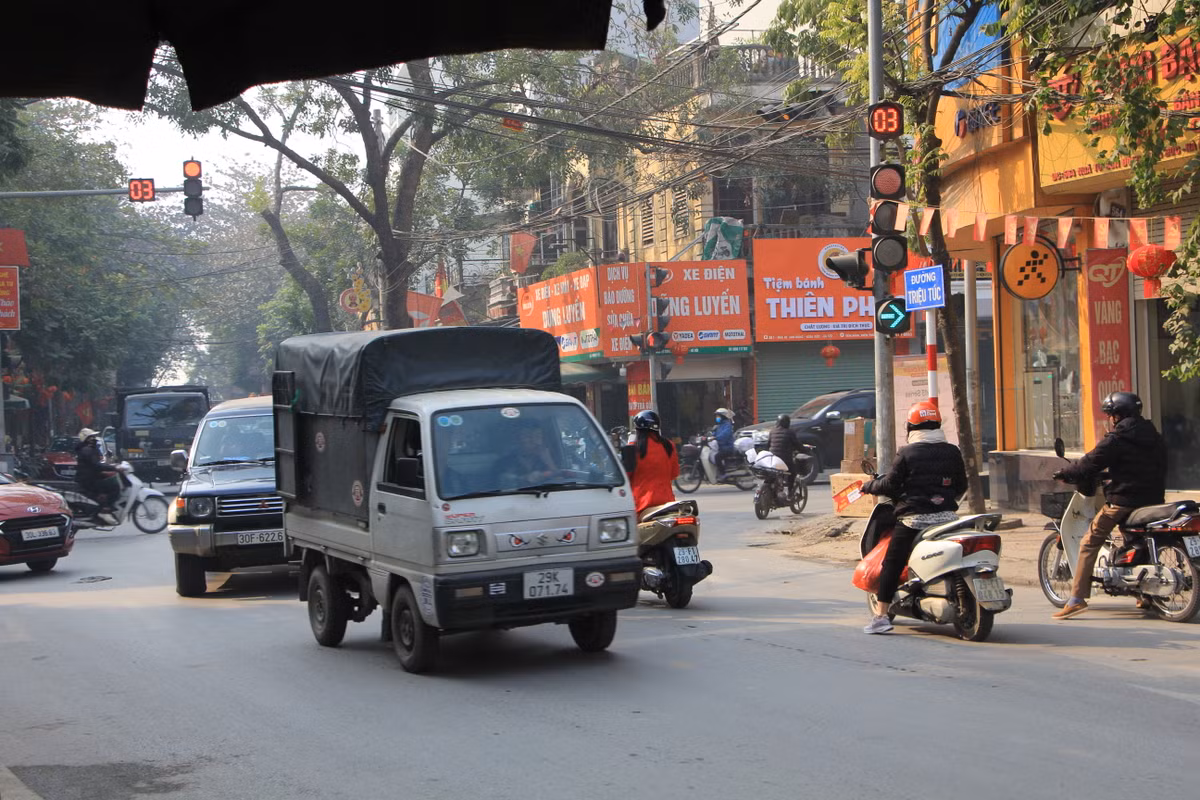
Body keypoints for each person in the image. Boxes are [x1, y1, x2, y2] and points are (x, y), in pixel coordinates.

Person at [1050, 391, 1167, 619]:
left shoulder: (1117, 439)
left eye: (1111, 414)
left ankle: (1076, 599)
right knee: (1134, 539)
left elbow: (1089, 463)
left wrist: (1066, 472)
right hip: (1154, 500)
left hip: (1124, 501)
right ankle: (1142, 594)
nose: (1110, 419)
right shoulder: (1155, 437)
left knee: (1088, 541)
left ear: (1117, 415)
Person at [860, 401, 968, 634]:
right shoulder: (952, 451)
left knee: (892, 562)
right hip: (948, 518)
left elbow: (889, 484)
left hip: (913, 519)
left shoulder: (907, 452)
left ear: (911, 427)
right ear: (938, 424)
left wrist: (869, 486)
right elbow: (961, 486)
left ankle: (880, 617)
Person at [622, 410, 679, 517]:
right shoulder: (669, 446)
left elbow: (626, 477)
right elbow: (674, 474)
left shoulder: (633, 448)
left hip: (641, 505)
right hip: (668, 503)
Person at [74, 428, 122, 520]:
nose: (94, 438)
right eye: (92, 437)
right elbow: (97, 465)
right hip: (89, 479)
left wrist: (112, 466)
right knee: (115, 486)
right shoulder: (87, 450)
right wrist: (114, 468)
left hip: (92, 476)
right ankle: (105, 509)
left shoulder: (90, 449)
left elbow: (97, 464)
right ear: (87, 439)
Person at [767, 414, 802, 497]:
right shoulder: (790, 432)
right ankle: (790, 493)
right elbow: (797, 445)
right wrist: (805, 450)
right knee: (792, 473)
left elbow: (768, 445)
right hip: (785, 460)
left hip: (772, 459)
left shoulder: (772, 431)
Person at [712, 407, 737, 479]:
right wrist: (710, 436)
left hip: (728, 448)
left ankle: (723, 474)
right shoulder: (719, 426)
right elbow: (714, 433)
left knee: (717, 457)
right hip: (721, 447)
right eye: (716, 416)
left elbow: (725, 435)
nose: (717, 418)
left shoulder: (727, 425)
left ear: (722, 416)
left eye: (718, 416)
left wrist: (716, 437)